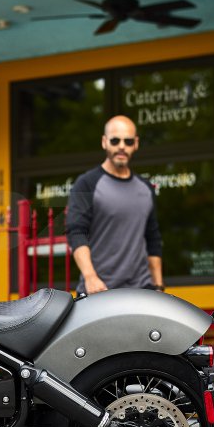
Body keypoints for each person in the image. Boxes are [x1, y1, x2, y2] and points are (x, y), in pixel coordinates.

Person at [65, 115, 164, 295]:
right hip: (99, 290)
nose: (121, 146)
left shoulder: (146, 188)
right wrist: (90, 277)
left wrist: (158, 286)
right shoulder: (86, 183)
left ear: (136, 144)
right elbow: (77, 232)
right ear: (104, 142)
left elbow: (153, 240)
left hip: (142, 291)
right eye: (115, 140)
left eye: (127, 141)